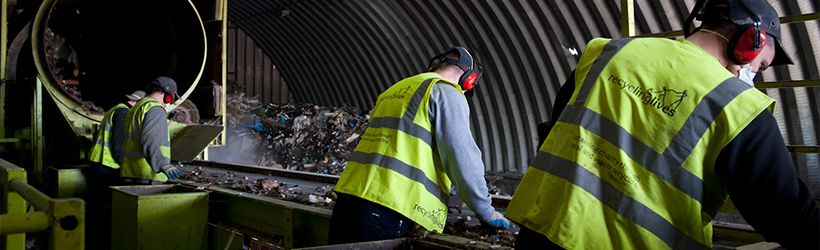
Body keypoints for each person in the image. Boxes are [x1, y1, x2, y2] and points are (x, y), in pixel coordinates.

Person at [506, 0, 819, 249]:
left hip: (542, 234)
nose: (754, 75)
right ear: (750, 42)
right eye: (760, 65)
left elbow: (552, 132)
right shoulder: (740, 107)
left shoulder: (606, 53)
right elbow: (785, 214)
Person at [329, 47, 509, 244]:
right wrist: (487, 213)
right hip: (390, 209)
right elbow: (464, 160)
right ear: (469, 80)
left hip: (350, 200)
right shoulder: (447, 92)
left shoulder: (395, 90)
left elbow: (401, 146)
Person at [85, 90, 144, 250]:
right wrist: (127, 166)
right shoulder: (124, 113)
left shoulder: (116, 109)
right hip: (108, 167)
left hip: (100, 164)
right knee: (106, 210)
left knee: (99, 207)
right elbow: (119, 145)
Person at [120, 76, 183, 185]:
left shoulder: (136, 108)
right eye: (172, 99)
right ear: (169, 95)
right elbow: (150, 139)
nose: (170, 103)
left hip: (130, 172)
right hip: (147, 174)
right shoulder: (156, 109)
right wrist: (163, 164)